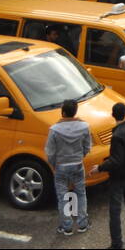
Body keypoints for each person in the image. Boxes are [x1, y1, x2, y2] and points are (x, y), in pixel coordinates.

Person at [90, 101, 125, 249]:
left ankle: (116, 243)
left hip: (117, 178)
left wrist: (99, 168)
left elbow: (116, 160)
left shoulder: (117, 135)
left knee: (115, 211)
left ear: (113, 115)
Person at [45, 98, 92, 235]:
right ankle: (83, 224)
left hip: (61, 166)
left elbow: (50, 152)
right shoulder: (84, 127)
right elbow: (87, 147)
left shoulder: (54, 130)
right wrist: (80, 156)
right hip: (77, 164)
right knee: (81, 194)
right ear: (75, 111)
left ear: (63, 112)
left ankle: (67, 227)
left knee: (63, 197)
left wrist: (54, 164)